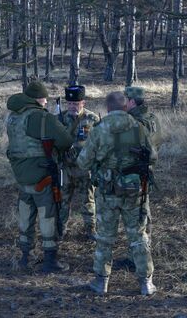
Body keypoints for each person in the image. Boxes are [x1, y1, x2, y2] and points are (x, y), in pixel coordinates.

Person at [77, 91, 157, 296]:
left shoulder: (99, 129)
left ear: (108, 108)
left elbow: (83, 162)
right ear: (125, 107)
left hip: (107, 192)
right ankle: (146, 283)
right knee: (138, 236)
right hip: (134, 192)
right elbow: (153, 157)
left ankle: (101, 282)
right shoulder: (138, 127)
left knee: (105, 237)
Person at [6, 81, 73, 273]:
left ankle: (25, 257)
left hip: (21, 174)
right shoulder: (42, 118)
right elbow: (65, 141)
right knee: (48, 215)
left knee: (26, 215)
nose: (46, 102)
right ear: (38, 98)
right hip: (42, 175)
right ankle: (50, 260)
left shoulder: (14, 117)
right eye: (44, 98)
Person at [115, 86, 162, 270]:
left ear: (132, 102)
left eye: (125, 100)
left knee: (138, 218)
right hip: (146, 171)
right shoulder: (152, 118)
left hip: (135, 174)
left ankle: (138, 258)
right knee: (143, 213)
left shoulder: (134, 121)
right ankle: (138, 254)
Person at [58, 85, 100, 239]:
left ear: (83, 103)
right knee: (62, 201)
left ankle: (91, 230)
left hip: (85, 169)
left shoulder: (92, 119)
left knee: (88, 201)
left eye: (75, 104)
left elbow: (99, 143)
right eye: (69, 104)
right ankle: (60, 229)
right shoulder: (60, 119)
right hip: (66, 169)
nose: (72, 107)